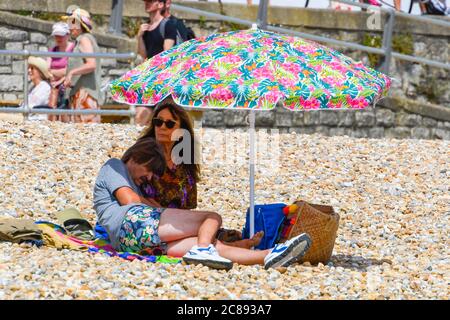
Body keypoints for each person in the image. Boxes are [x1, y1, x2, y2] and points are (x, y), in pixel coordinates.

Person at [93, 137, 312, 270]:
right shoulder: (115, 166)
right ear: (135, 157)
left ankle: (268, 256)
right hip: (132, 225)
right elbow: (130, 201)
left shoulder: (135, 185)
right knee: (212, 217)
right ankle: (204, 249)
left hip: (132, 243)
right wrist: (160, 209)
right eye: (149, 170)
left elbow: (141, 204)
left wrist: (240, 242)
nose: (149, 178)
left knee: (212, 248)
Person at [137, 100, 251, 246]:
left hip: (177, 222)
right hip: (149, 221)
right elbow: (129, 193)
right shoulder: (143, 154)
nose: (162, 127)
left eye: (169, 124)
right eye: (158, 122)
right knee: (212, 220)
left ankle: (226, 242)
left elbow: (187, 206)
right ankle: (226, 245)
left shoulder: (184, 164)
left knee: (212, 225)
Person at [135, 0, 178, 125]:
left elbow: (167, 53)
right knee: (140, 117)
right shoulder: (146, 27)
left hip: (162, 80)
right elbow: (143, 55)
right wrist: (139, 36)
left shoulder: (168, 25)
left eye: (151, 1)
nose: (147, 3)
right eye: (146, 1)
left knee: (163, 120)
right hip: (149, 79)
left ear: (160, 4)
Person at [63, 8, 101, 123]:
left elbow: (91, 64)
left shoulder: (84, 39)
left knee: (86, 131)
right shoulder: (82, 40)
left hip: (85, 94)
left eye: (73, 22)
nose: (70, 27)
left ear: (81, 24)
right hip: (82, 93)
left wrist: (71, 73)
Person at [47, 22, 75, 122]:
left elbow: (70, 70)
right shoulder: (52, 50)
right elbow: (47, 69)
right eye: (56, 36)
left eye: (61, 36)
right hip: (54, 84)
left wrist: (58, 78)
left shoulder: (73, 49)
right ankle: (52, 126)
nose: (58, 38)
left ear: (67, 35)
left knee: (64, 109)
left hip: (67, 84)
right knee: (52, 103)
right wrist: (56, 75)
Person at [22, 56, 52, 121]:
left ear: (40, 72)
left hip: (36, 119)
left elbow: (32, 106)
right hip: (28, 116)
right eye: (29, 68)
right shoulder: (33, 87)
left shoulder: (44, 87)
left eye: (32, 68)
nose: (29, 70)